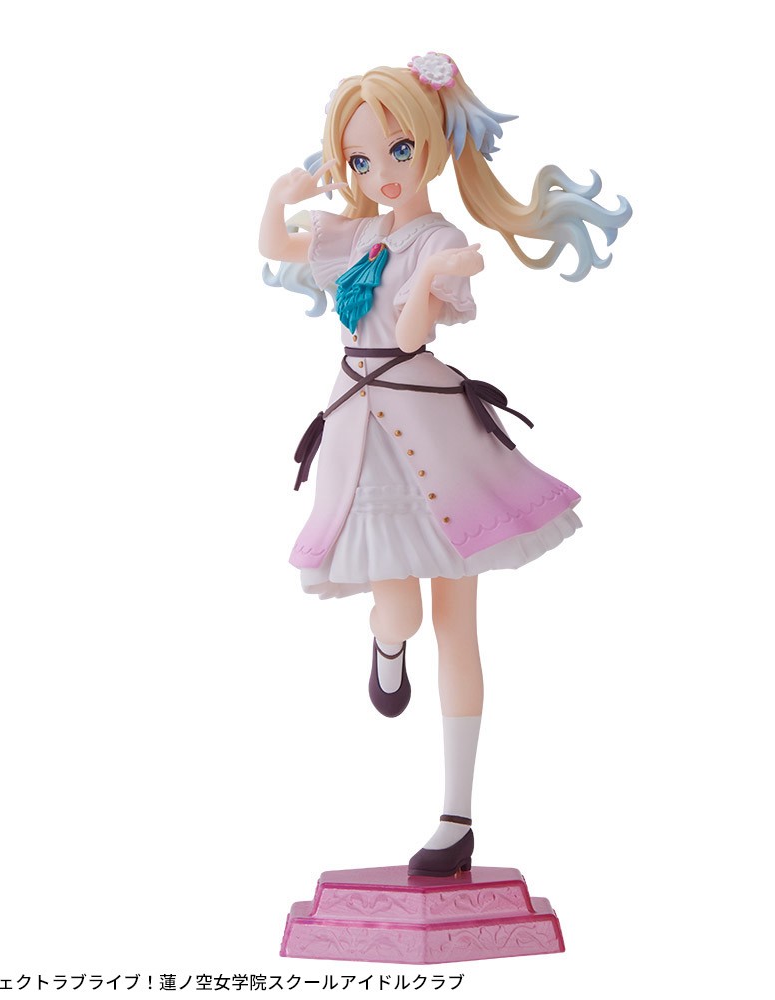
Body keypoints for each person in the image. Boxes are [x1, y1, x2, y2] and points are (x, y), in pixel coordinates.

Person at [259, 53, 631, 877]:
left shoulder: (441, 238)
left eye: (399, 151)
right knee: (400, 609)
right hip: (362, 432)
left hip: (436, 432)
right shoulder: (355, 233)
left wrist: (431, 275)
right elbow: (277, 244)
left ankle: (456, 818)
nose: (383, 173)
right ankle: (384, 643)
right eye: (362, 159)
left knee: (459, 625)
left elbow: (412, 336)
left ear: (430, 143)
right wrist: (280, 198)